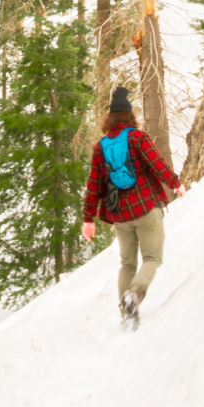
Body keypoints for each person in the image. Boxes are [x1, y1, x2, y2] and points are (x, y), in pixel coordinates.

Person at [81, 85, 183, 329]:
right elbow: (158, 165)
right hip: (146, 208)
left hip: (120, 216)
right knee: (151, 258)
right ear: (130, 116)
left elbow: (93, 186)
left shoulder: (100, 148)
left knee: (127, 264)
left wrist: (88, 219)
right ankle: (135, 295)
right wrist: (176, 184)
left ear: (109, 119)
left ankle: (127, 314)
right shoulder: (138, 138)